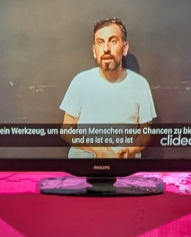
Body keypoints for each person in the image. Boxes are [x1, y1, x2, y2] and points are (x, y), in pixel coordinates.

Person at [59, 17, 157, 159]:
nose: (106, 49)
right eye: (100, 43)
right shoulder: (80, 81)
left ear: (124, 48)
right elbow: (66, 131)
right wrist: (97, 149)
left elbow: (145, 133)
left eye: (113, 41)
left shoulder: (140, 84)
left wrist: (131, 150)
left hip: (125, 169)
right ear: (94, 51)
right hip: (83, 169)